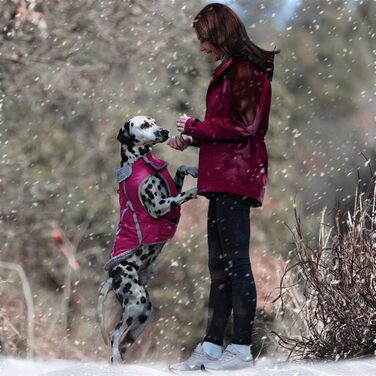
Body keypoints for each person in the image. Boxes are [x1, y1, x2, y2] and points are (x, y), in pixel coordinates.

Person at [167, 2, 279, 371]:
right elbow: (228, 127)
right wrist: (193, 138)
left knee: (236, 265)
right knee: (219, 267)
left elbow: (245, 127)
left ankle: (241, 350)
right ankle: (212, 347)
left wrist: (196, 128)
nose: (201, 47)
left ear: (219, 35)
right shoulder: (232, 70)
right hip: (224, 176)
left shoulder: (245, 70)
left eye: (203, 39)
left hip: (237, 176)